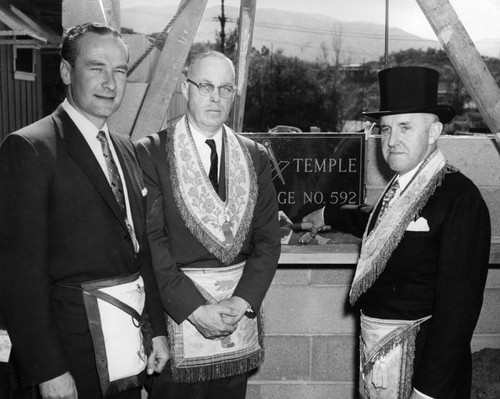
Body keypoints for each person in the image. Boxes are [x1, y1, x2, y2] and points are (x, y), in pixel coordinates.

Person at [0, 23, 168, 399]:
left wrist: (156, 330)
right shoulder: (30, 148)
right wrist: (48, 370)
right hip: (69, 362)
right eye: (96, 68)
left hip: (127, 355)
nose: (110, 82)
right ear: (65, 72)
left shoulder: (126, 150)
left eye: (120, 71)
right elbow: (18, 276)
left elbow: (139, 251)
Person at [302, 66, 491, 399]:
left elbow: (457, 314)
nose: (391, 141)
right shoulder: (401, 189)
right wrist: (328, 214)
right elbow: (377, 220)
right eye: (385, 129)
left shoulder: (460, 198)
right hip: (378, 361)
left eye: (405, 127)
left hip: (423, 375)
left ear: (434, 131)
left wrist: (427, 391)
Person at [136, 50, 281, 399]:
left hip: (235, 316)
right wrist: (195, 310)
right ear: (187, 89)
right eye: (205, 86)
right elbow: (154, 244)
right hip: (179, 318)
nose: (216, 98)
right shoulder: (152, 152)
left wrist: (243, 301)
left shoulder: (255, 155)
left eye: (225, 89)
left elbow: (268, 241)